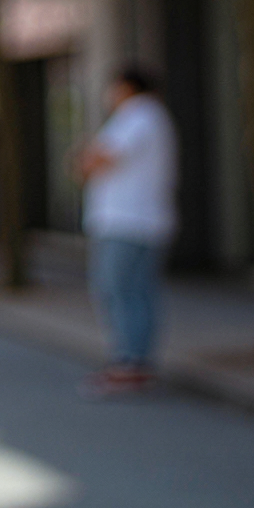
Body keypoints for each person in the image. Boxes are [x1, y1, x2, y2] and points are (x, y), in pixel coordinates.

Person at [78, 64, 177, 394]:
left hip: (127, 221)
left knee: (118, 290)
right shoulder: (152, 117)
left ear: (126, 87)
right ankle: (134, 361)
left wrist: (85, 159)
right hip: (139, 221)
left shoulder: (139, 115)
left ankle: (129, 362)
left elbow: (97, 160)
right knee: (135, 291)